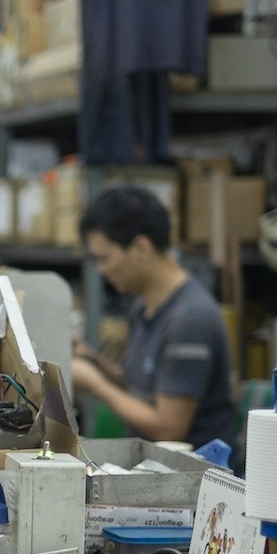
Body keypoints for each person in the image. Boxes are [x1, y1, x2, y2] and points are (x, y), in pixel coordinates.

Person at [71, 186, 235, 450]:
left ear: (141, 247)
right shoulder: (145, 307)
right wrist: (94, 361)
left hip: (194, 478)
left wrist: (96, 384)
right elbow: (140, 386)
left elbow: (169, 428)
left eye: (104, 258)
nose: (102, 270)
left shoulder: (188, 320)